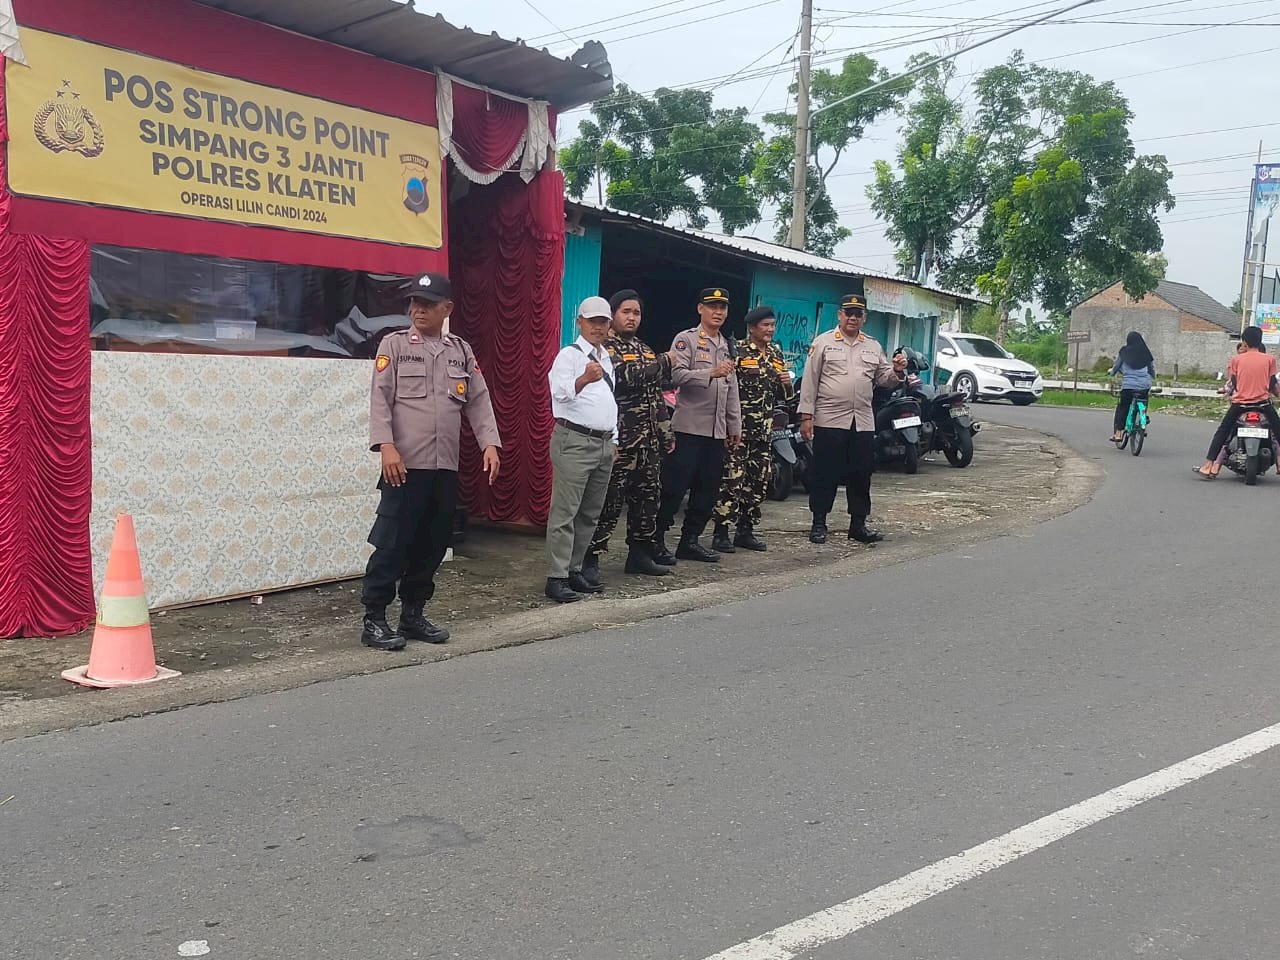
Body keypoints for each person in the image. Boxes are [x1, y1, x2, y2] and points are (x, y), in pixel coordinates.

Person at [363, 272, 501, 651]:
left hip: (444, 468)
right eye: (414, 303)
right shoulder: (394, 345)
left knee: (432, 544)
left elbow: (478, 399)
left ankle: (412, 614)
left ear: (447, 309)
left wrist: (490, 442)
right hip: (404, 466)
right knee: (392, 544)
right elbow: (380, 399)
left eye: (427, 304)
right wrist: (385, 446)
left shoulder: (460, 350)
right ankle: (374, 619)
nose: (418, 310)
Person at [798, 293, 907, 545]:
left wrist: (898, 371)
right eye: (848, 312)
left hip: (862, 421)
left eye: (858, 314)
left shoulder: (872, 346)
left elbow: (884, 379)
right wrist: (806, 417)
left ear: (864, 318)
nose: (853, 318)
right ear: (840, 315)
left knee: (862, 473)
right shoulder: (823, 343)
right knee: (825, 473)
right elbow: (809, 382)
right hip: (830, 419)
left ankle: (858, 524)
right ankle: (819, 523)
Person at [582, 289, 674, 583]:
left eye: (636, 313)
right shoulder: (605, 349)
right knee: (608, 502)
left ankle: (639, 554)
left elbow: (656, 396)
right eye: (626, 312)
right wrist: (666, 361)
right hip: (619, 442)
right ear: (613, 316)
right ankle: (589, 558)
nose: (632, 317)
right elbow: (628, 376)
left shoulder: (646, 350)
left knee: (647, 500)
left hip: (648, 443)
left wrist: (665, 432)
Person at [657, 287, 742, 562]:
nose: (718, 312)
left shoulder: (728, 345)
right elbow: (677, 376)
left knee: (707, 491)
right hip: (688, 429)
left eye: (723, 307)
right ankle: (656, 540)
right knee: (673, 489)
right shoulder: (687, 340)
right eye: (712, 306)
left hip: (716, 433)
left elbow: (732, 388)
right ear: (700, 309)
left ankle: (690, 541)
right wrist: (710, 372)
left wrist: (734, 426)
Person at [544, 297, 619, 603]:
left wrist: (613, 439)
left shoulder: (606, 357)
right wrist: (584, 379)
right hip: (574, 440)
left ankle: (574, 569)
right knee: (565, 512)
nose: (598, 327)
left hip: (602, 444)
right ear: (580, 323)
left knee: (589, 513)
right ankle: (557, 575)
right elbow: (559, 394)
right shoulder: (570, 356)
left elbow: (610, 402)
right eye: (592, 321)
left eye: (603, 322)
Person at [712, 305, 794, 553]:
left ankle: (745, 532)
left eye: (772, 325)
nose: (769, 330)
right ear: (751, 328)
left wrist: (787, 384)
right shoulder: (736, 351)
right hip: (738, 430)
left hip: (763, 431)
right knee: (732, 481)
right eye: (765, 326)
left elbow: (784, 397)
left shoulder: (775, 355)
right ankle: (721, 533)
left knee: (758, 482)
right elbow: (726, 387)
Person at [1195, 324, 1280, 478]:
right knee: (1278, 430)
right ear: (1260, 340)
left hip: (1240, 405)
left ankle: (1208, 465)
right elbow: (1272, 383)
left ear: (1245, 342)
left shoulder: (1236, 360)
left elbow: (1234, 383)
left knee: (1222, 432)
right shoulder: (1270, 360)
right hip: (1263, 404)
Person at [1109, 331, 1156, 443]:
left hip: (1128, 386)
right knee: (1143, 401)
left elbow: (1117, 366)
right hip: (1144, 385)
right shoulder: (1146, 352)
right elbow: (1151, 369)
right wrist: (1152, 378)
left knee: (1123, 407)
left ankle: (1118, 433)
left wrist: (1112, 373)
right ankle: (1142, 418)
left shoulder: (1124, 352)